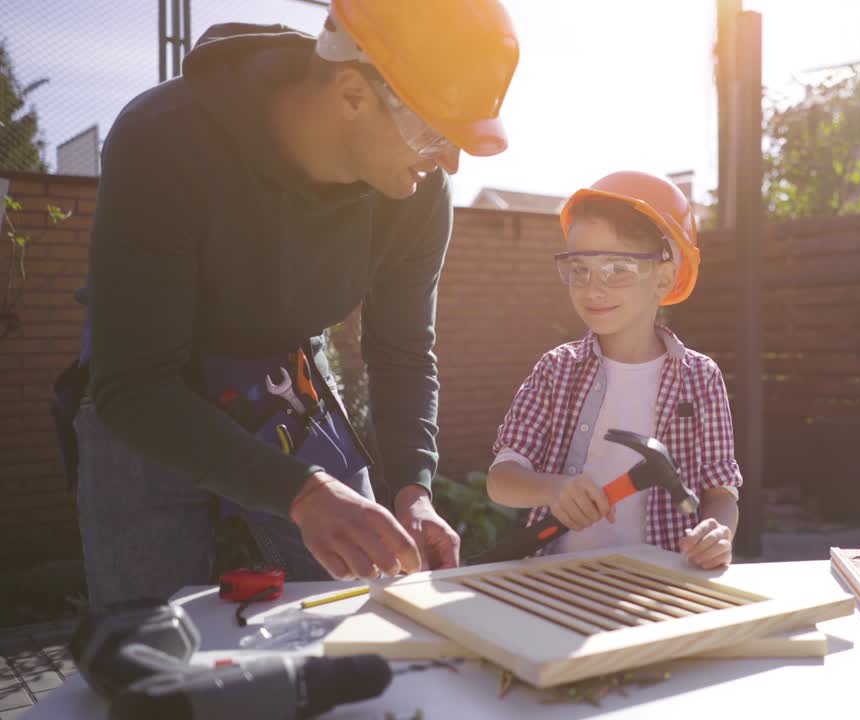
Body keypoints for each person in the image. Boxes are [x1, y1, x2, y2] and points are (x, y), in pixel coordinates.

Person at [66, 0, 520, 608]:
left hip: (281, 386)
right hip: (150, 395)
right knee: (146, 639)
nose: (450, 160)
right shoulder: (163, 137)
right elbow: (133, 384)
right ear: (354, 93)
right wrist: (304, 493)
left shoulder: (416, 191)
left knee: (359, 603)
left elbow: (404, 352)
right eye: (436, 130)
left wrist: (413, 490)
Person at [487, 171, 741, 569]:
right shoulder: (556, 371)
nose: (593, 288)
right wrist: (554, 489)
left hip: (663, 582)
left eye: (617, 269)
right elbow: (501, 480)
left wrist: (716, 532)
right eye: (580, 268)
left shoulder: (700, 378)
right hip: (559, 579)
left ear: (664, 278)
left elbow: (720, 490)